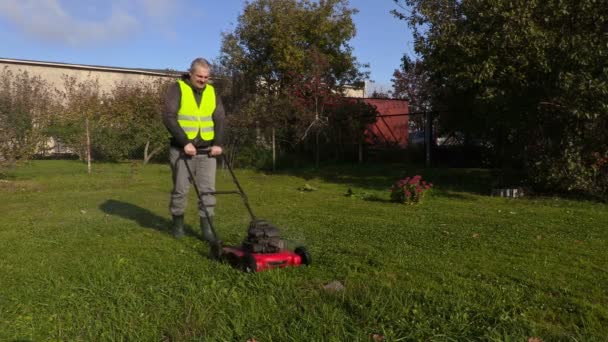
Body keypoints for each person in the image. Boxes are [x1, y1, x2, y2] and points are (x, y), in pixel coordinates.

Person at [162, 58, 225, 247]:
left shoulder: (212, 92)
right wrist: (185, 142)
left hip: (207, 151)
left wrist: (219, 143)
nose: (203, 80)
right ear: (190, 73)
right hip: (183, 150)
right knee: (181, 190)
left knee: (208, 190)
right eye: (199, 76)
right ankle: (178, 226)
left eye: (206, 77)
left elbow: (220, 118)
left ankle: (207, 229)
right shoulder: (178, 89)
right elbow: (169, 116)